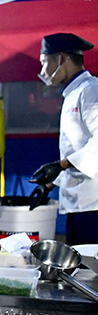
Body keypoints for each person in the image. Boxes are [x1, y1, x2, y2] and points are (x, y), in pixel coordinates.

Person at [29, 33, 98, 246]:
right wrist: (50, 184)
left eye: (44, 63)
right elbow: (75, 148)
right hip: (77, 205)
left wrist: (61, 165)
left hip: (93, 205)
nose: (42, 71)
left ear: (61, 59)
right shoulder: (71, 94)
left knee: (91, 273)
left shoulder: (91, 90)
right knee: (79, 272)